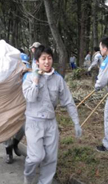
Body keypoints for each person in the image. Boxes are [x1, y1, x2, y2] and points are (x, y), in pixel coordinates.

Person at [22, 45, 82, 184]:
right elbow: (30, 98)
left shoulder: (58, 79)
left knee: (50, 159)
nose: (47, 62)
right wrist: (36, 81)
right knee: (36, 157)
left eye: (49, 58)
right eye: (43, 59)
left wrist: (76, 122)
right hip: (33, 122)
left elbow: (68, 101)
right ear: (37, 61)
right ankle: (28, 177)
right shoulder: (29, 78)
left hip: (50, 123)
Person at [3, 52, 30, 164]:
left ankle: (15, 143)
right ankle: (9, 152)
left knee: (23, 127)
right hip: (8, 107)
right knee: (6, 130)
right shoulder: (8, 77)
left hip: (23, 108)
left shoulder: (28, 77)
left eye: (24, 65)